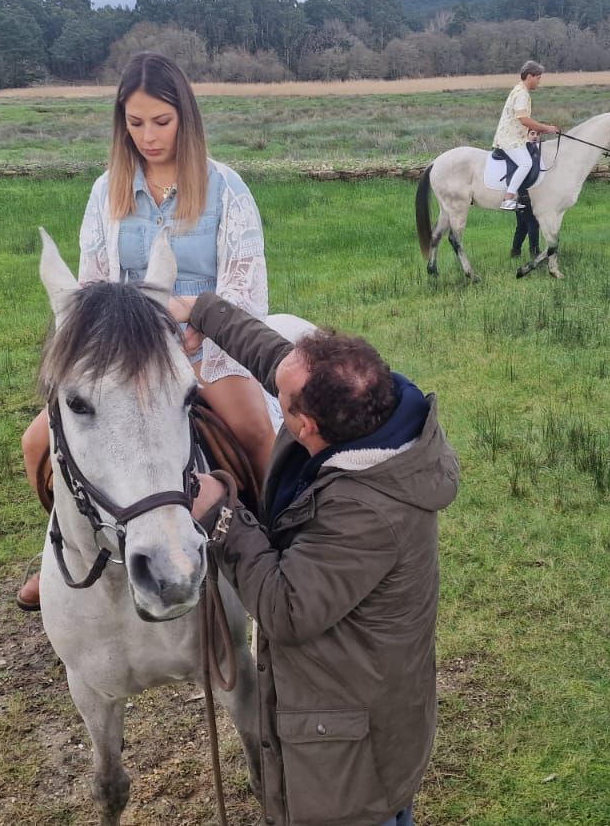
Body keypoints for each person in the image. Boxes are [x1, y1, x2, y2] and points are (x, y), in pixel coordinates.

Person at [172, 291, 459, 826]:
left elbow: (286, 609)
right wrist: (200, 311)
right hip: (365, 695)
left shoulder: (366, 511)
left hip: (348, 740)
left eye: (280, 399)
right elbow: (276, 360)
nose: (272, 386)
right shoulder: (370, 409)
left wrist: (223, 518)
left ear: (305, 426)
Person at [16, 52, 275, 612]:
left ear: (184, 117)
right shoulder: (106, 189)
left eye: (161, 121)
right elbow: (92, 282)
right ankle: (69, 550)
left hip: (209, 344)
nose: (149, 136)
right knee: (38, 442)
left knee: (255, 431)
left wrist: (198, 326)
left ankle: (276, 543)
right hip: (126, 349)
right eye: (135, 124)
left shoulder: (225, 187)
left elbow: (243, 283)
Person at [493, 60, 558, 211]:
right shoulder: (521, 93)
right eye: (538, 78)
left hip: (516, 137)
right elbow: (524, 119)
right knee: (526, 163)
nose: (539, 82)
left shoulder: (519, 90)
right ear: (529, 76)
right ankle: (508, 199)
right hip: (510, 139)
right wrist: (546, 128)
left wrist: (540, 128)